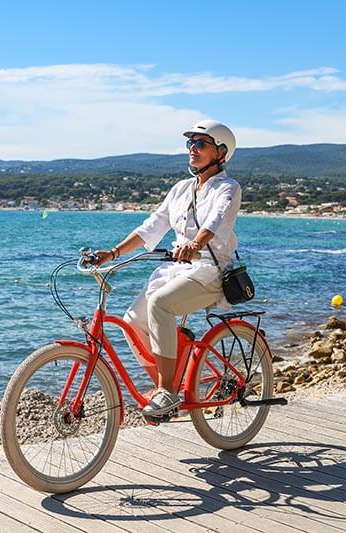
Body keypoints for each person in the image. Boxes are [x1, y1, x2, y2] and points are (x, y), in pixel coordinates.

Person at [92, 119, 242, 416]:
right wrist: (112, 253)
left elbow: (215, 221)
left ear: (221, 153)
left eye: (201, 144)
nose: (192, 149)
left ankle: (168, 391)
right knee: (133, 321)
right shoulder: (181, 189)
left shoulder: (228, 187)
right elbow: (152, 227)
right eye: (191, 143)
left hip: (209, 270)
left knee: (160, 304)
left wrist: (195, 245)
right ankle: (167, 384)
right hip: (176, 270)